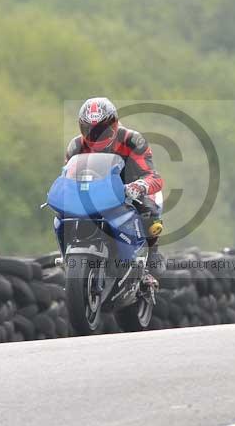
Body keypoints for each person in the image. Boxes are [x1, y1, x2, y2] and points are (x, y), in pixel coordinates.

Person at [65, 97, 164, 289]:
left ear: (115, 124)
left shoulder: (133, 140)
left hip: (131, 189)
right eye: (90, 131)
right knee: (64, 213)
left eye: (103, 130)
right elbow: (67, 175)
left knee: (149, 212)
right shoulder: (76, 146)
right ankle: (68, 256)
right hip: (94, 192)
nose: (97, 136)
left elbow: (154, 176)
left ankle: (152, 254)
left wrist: (140, 185)